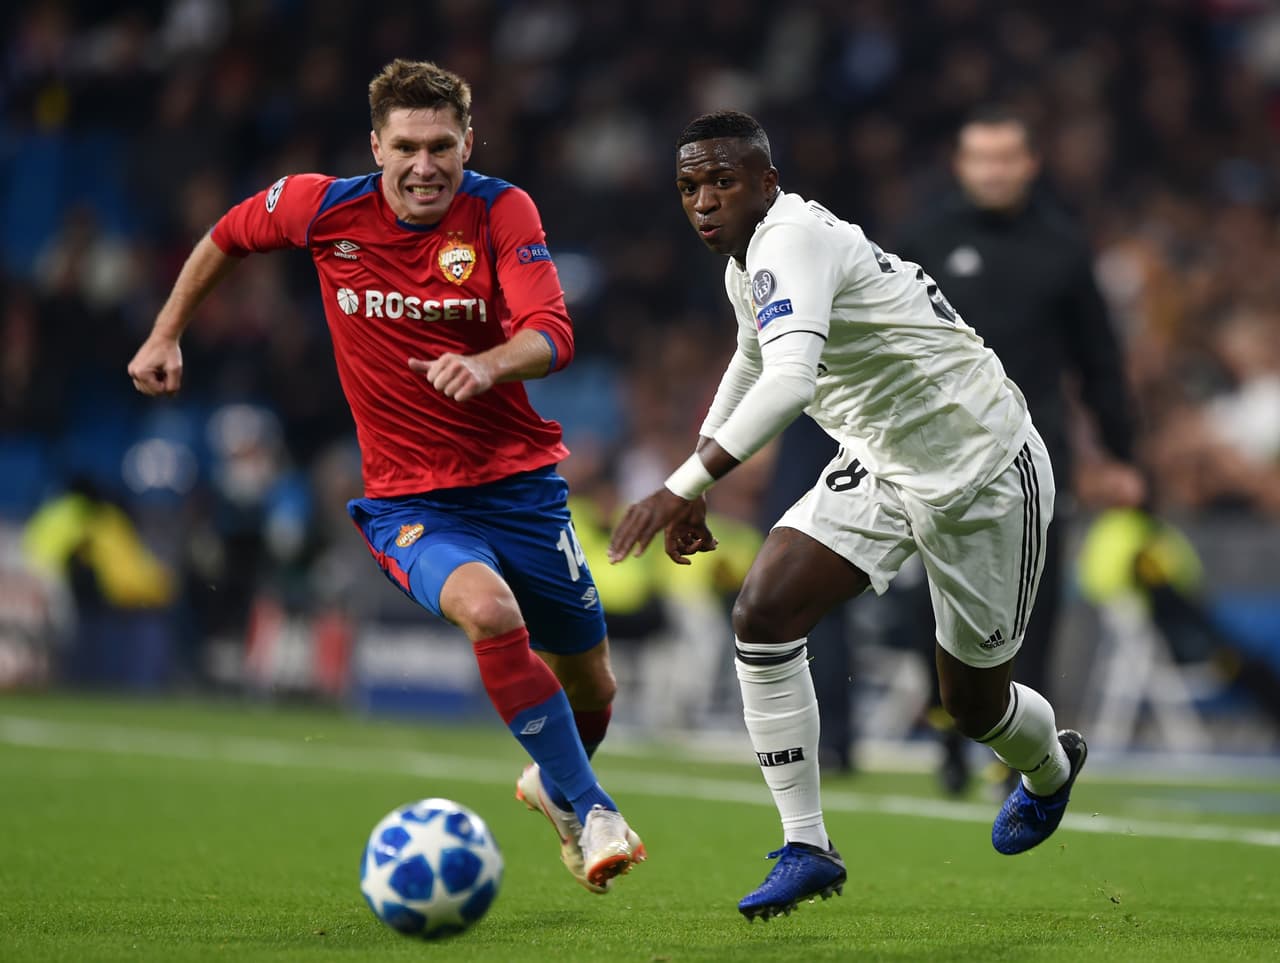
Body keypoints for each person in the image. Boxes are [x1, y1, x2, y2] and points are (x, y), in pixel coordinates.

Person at [127, 58, 644, 894]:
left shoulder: (501, 209)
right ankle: (593, 812)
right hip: (412, 500)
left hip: (522, 488)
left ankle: (554, 785)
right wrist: (166, 332)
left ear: (468, 142)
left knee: (591, 684)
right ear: (376, 145)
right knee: (487, 608)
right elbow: (227, 233)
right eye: (406, 145)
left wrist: (489, 363)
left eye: (443, 144)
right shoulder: (321, 206)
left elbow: (554, 331)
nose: (425, 164)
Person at [607, 110, 1086, 920]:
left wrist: (680, 480)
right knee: (761, 612)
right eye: (690, 186)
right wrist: (697, 479)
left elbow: (791, 384)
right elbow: (754, 360)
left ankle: (1051, 767)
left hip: (983, 468)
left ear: (768, 182)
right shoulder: (747, 266)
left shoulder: (793, 238)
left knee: (974, 704)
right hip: (883, 462)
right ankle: (807, 844)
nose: (704, 201)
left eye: (723, 180)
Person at [896, 105, 1145, 794]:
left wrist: (1121, 452)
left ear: (1029, 164)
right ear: (961, 163)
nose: (995, 171)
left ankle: (1020, 754)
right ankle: (949, 725)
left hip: (1033, 457)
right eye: (983, 158)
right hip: (932, 452)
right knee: (926, 600)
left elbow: (1099, 359)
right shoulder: (920, 238)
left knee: (1031, 606)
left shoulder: (1063, 250)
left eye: (1007, 158)